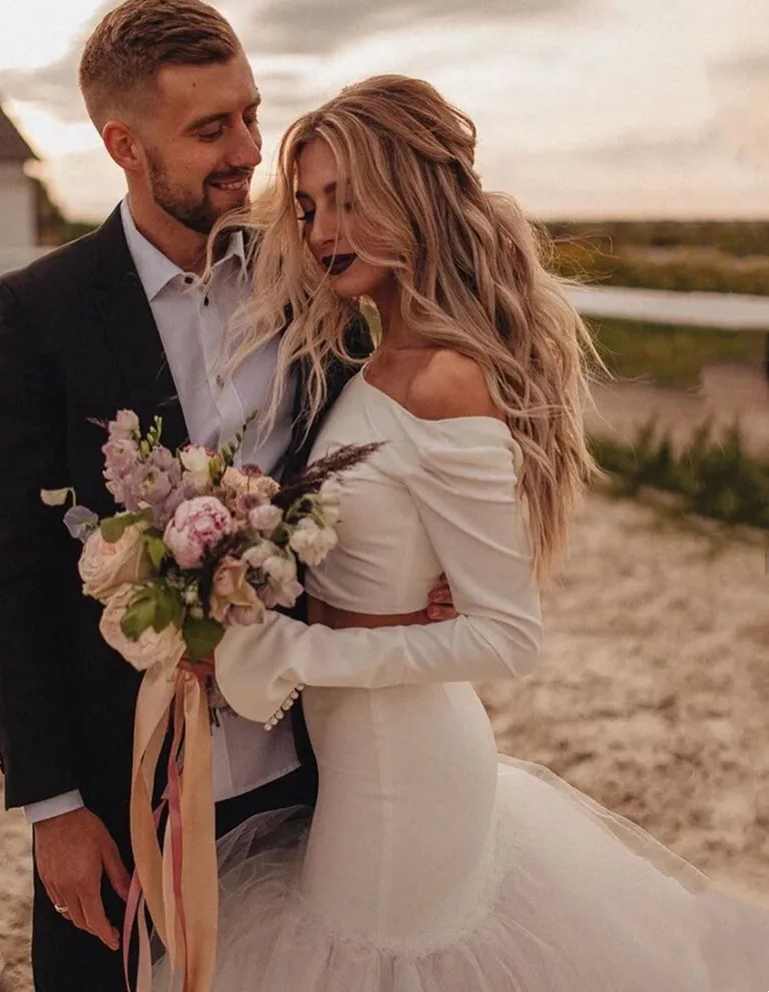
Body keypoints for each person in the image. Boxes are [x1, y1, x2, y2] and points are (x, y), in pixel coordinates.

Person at [154, 75, 769, 990]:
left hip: (403, 775)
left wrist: (300, 649)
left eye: (352, 200)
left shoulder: (444, 376)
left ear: (414, 196)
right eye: (313, 204)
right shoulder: (373, 358)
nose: (323, 231)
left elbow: (507, 636)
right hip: (362, 761)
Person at [0, 0, 450, 990]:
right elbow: (7, 579)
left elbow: (400, 423)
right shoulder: (36, 317)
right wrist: (53, 807)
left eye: (251, 115)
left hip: (320, 767)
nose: (247, 151)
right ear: (122, 144)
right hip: (123, 784)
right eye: (210, 128)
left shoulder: (309, 273)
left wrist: (427, 569)